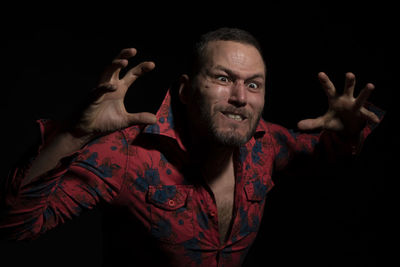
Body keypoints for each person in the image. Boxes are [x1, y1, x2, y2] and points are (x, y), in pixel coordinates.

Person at [0, 27, 384, 266]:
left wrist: (350, 132)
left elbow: (328, 155)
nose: (239, 97)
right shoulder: (129, 155)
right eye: (222, 78)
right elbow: (15, 226)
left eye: (253, 84)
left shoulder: (265, 144)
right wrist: (75, 133)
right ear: (184, 89)